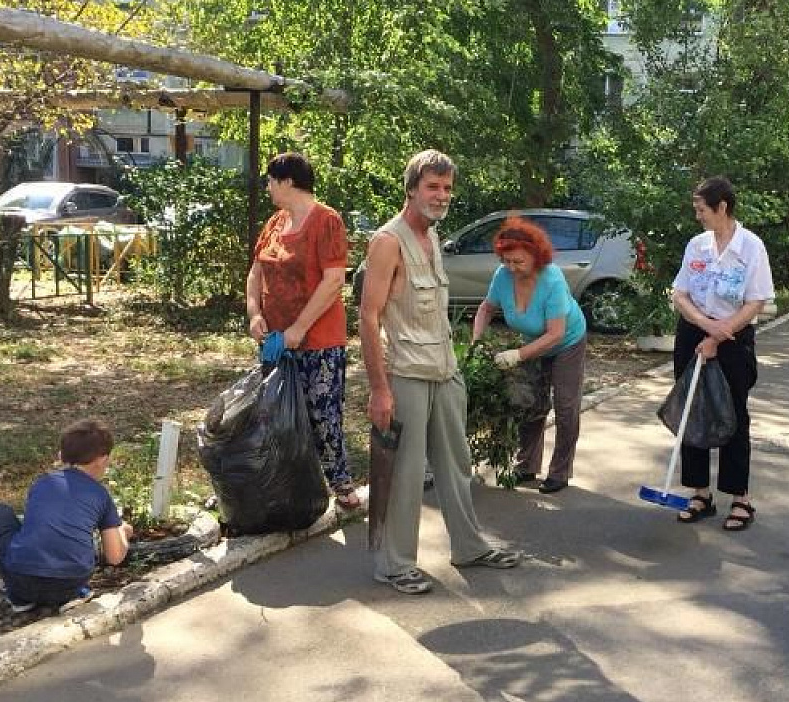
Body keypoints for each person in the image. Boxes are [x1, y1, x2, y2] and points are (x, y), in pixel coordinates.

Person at [359, 149, 521, 594]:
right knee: (407, 472)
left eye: (447, 188)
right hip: (406, 373)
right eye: (433, 186)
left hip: (444, 369)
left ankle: (469, 546)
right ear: (411, 189)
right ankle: (394, 564)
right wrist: (379, 389)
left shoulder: (433, 237)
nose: (441, 195)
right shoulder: (388, 242)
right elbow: (368, 317)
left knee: (456, 465)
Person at [245, 152, 360, 511]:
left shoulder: (326, 221)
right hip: (276, 342)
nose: (267, 187)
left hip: (319, 341)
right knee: (274, 414)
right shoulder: (275, 224)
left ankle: (340, 484)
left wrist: (299, 328)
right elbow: (256, 273)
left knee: (322, 414)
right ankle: (284, 486)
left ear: (287, 182)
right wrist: (254, 314)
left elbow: (333, 281)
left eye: (270, 180)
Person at [670, 176, 775, 530]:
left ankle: (739, 497)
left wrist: (719, 334)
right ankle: (700, 493)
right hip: (693, 333)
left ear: (722, 207)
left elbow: (756, 300)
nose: (697, 216)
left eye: (701, 209)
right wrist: (704, 324)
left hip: (734, 339)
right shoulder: (696, 246)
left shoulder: (750, 247)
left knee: (732, 415)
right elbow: (680, 293)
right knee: (692, 411)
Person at [471, 216, 588, 494]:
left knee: (565, 405)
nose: (511, 267)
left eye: (518, 262)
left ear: (536, 256)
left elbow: (556, 333)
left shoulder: (552, 279)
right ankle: (526, 465)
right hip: (533, 342)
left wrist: (518, 355)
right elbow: (486, 309)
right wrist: (476, 341)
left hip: (567, 342)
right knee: (529, 402)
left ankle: (560, 472)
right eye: (506, 261)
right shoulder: (503, 276)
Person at [0, 419, 133, 613]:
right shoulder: (100, 495)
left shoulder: (42, 483)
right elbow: (114, 557)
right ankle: (74, 595)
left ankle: (19, 597)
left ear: (61, 457)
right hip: (69, 583)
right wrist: (123, 533)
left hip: (21, 579)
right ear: (103, 460)